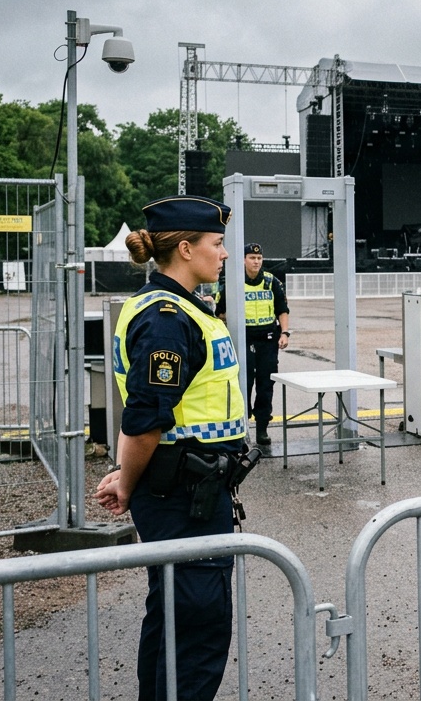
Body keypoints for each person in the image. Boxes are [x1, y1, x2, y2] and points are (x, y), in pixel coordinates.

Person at [94, 195, 253, 701]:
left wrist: (127, 477)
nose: (225, 253)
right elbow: (143, 422)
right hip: (183, 498)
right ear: (185, 249)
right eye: (217, 243)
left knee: (173, 622)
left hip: (191, 491)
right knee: (197, 632)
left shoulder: (184, 308)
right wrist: (128, 479)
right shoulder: (167, 318)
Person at [214, 242, 289, 448]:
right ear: (244, 260)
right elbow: (219, 313)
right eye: (252, 258)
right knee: (242, 385)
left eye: (259, 258)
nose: (256, 262)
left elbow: (282, 309)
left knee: (266, 385)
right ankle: (242, 428)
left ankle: (262, 428)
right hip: (243, 340)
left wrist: (284, 333)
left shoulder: (271, 282)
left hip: (267, 340)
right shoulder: (234, 283)